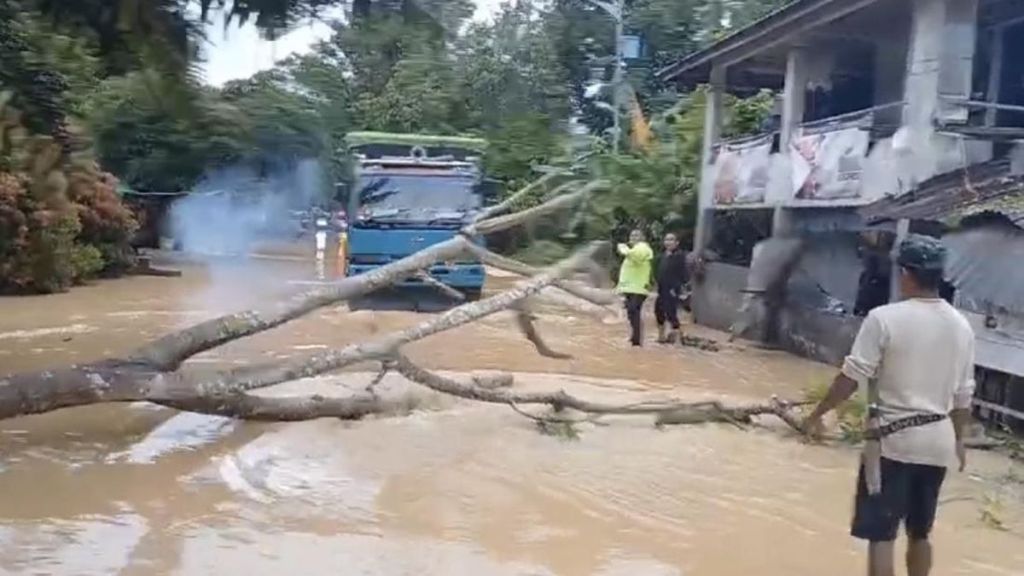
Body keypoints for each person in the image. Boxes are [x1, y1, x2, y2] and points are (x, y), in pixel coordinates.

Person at [802, 234, 975, 576]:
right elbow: (963, 395)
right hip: (937, 442)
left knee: (882, 535)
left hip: (893, 443)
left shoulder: (884, 318)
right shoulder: (961, 325)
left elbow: (851, 376)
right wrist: (959, 441)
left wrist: (817, 413)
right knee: (920, 532)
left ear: (906, 273)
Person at [616, 229, 653, 347]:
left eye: (637, 235)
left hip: (639, 287)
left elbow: (637, 257)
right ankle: (634, 337)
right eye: (632, 235)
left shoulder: (643, 247)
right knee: (631, 312)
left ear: (643, 238)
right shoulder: (633, 250)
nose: (633, 237)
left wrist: (624, 249)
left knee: (633, 310)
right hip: (631, 288)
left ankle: (637, 340)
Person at [654, 232, 688, 344]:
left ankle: (678, 340)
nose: (668, 242)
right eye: (666, 240)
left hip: (672, 290)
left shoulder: (680, 256)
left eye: (671, 240)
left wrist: (677, 289)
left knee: (671, 313)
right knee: (658, 311)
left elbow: (684, 275)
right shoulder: (663, 256)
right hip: (661, 289)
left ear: (677, 243)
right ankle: (661, 337)